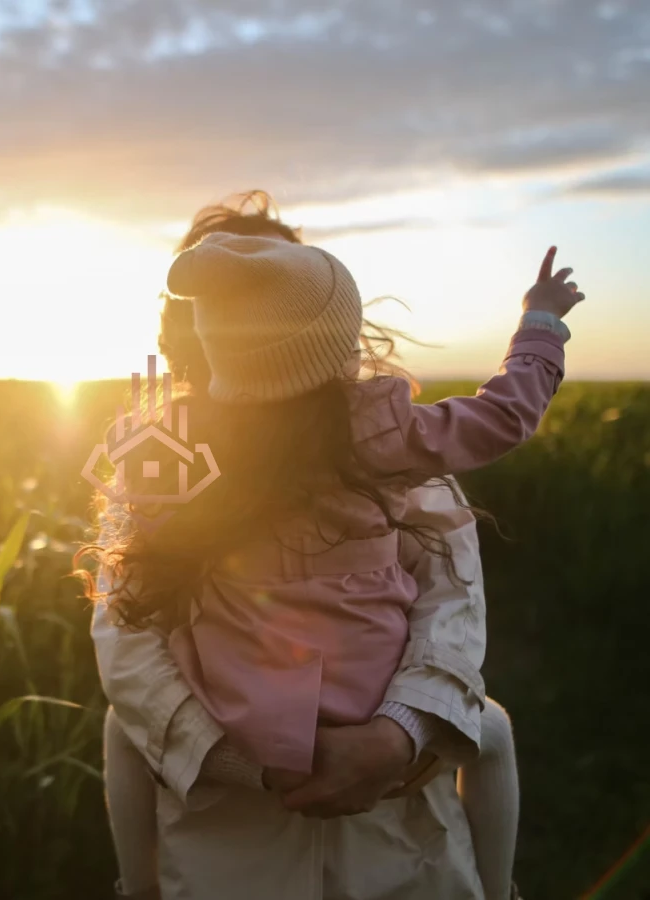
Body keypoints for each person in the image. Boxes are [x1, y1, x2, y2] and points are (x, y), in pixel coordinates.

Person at [90, 193, 574, 899]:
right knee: (491, 728)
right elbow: (127, 631)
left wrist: (395, 736)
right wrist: (540, 327)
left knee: (121, 730)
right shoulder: (385, 436)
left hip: (385, 823)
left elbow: (451, 599)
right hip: (233, 826)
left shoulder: (168, 450)